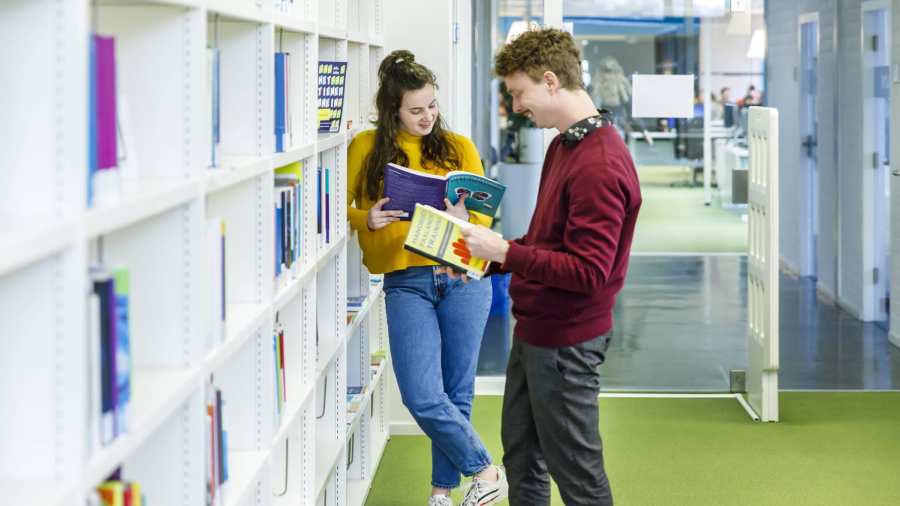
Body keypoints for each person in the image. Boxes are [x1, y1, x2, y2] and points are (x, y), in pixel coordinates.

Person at [461, 28, 642, 506]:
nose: (518, 106)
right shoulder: (565, 145)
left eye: (520, 93)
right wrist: (490, 260)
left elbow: (587, 271)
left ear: (549, 81)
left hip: (566, 342)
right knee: (522, 459)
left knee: (578, 477)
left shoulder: (599, 162)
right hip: (536, 331)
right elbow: (546, 243)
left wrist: (505, 253)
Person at [346, 50, 508, 506]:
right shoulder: (365, 148)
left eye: (432, 106)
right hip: (406, 281)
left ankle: (442, 493)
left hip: (462, 278)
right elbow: (340, 211)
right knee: (421, 393)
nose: (428, 117)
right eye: (416, 110)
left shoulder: (457, 146)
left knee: (456, 392)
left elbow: (484, 218)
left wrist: (463, 215)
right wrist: (366, 218)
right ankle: (485, 469)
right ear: (391, 109)